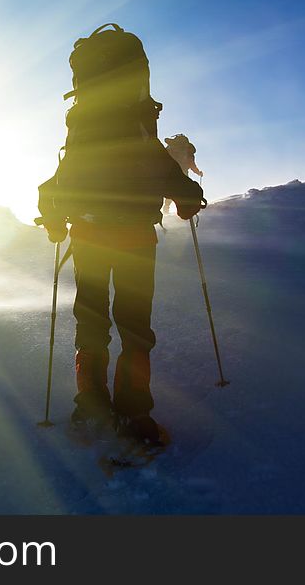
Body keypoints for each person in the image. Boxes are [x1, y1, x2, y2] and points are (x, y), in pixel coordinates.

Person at [38, 114, 205, 445]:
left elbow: (51, 188)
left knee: (91, 319)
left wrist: (55, 224)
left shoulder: (81, 140)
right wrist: (188, 202)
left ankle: (90, 405)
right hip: (136, 238)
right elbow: (183, 189)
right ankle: (134, 413)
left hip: (88, 237)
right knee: (135, 326)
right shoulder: (143, 138)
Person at [162, 134, 203, 214]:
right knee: (184, 191)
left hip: (170, 173)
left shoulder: (171, 148)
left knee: (172, 191)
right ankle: (186, 209)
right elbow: (192, 165)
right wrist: (198, 172)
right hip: (183, 174)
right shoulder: (189, 151)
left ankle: (166, 208)